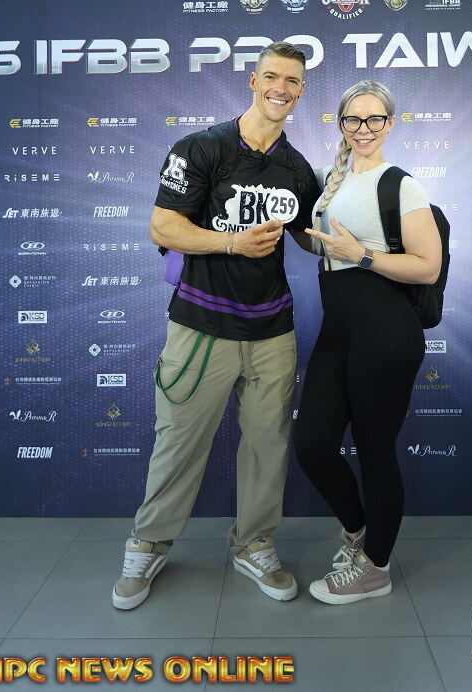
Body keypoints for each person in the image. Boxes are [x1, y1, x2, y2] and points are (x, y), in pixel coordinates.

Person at [113, 41, 319, 609]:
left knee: (267, 445)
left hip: (272, 331)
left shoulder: (298, 168)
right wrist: (231, 242)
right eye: (272, 77)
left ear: (301, 91)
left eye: (292, 81)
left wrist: (359, 232)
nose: (281, 88)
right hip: (201, 327)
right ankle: (149, 541)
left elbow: (309, 234)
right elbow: (163, 227)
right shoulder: (203, 147)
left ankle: (254, 543)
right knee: (178, 441)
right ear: (254, 81)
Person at [294, 79, 442, 604]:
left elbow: (427, 267)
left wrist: (360, 254)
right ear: (340, 124)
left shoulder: (400, 184)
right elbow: (314, 238)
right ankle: (358, 532)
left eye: (374, 119)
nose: (363, 128)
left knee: (376, 451)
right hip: (338, 328)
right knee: (312, 444)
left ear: (390, 124)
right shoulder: (326, 181)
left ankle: (375, 567)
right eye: (353, 119)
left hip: (385, 329)